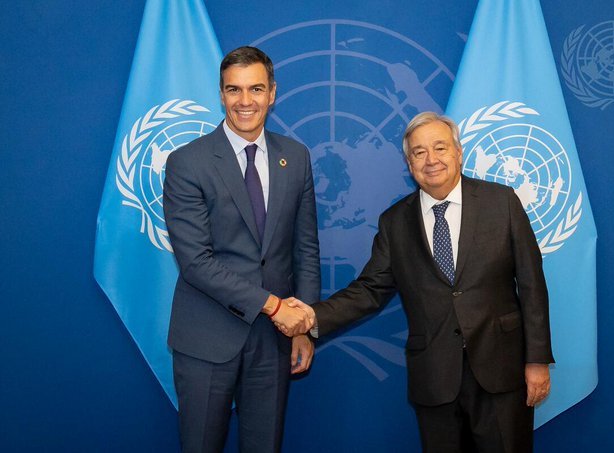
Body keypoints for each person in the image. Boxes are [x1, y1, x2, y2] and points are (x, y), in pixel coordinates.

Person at [292, 112, 554, 452]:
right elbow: (370, 290)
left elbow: (533, 285)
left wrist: (536, 361)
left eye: (440, 148)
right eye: (419, 152)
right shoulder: (395, 222)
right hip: (434, 378)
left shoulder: (502, 202)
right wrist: (311, 317)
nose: (431, 160)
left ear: (458, 152)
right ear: (409, 163)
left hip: (501, 373)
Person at [163, 46, 319, 453]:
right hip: (207, 338)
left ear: (272, 93)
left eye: (255, 89)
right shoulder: (187, 163)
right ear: (221, 94)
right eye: (234, 90)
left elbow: (305, 247)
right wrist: (274, 306)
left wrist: (303, 327)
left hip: (275, 339)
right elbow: (196, 262)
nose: (245, 101)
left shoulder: (296, 157)